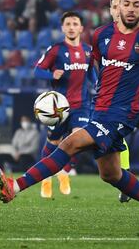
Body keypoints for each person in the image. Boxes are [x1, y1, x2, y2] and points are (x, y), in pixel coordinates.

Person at [0, 0, 139, 204]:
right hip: (100, 111)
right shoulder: (102, 34)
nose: (130, 9)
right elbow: (99, 69)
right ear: (116, 7)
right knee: (110, 173)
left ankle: (15, 186)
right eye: (126, 4)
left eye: (136, 5)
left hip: (123, 114)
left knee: (69, 144)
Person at [34, 11, 95, 198]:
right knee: (53, 142)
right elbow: (37, 71)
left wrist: (100, 86)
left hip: (82, 104)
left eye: (75, 24)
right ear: (62, 28)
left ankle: (64, 172)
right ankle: (46, 178)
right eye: (67, 24)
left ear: (81, 28)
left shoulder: (88, 51)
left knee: (78, 139)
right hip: (59, 107)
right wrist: (51, 75)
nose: (71, 27)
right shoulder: (56, 50)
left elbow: (92, 74)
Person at [107, 0, 131, 203]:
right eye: (113, 7)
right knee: (117, 136)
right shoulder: (104, 36)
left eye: (119, 6)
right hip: (115, 100)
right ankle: (125, 179)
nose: (117, 11)